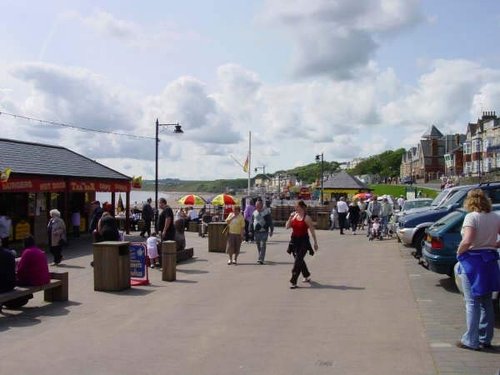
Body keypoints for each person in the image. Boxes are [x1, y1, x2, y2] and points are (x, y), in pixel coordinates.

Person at [455, 189, 500, 351]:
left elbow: (467, 240)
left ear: (470, 202)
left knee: (472, 302)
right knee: (486, 301)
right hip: (490, 259)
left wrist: (459, 252)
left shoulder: (471, 217)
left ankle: (471, 340)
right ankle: (485, 338)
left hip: (473, 260)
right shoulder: (495, 216)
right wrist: (494, 244)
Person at [286, 200, 319, 289]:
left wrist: (315, 242)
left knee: (297, 261)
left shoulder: (307, 218)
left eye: (296, 206)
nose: (295, 208)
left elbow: (312, 231)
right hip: (294, 242)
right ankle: (307, 275)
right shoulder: (294, 216)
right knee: (299, 260)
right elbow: (287, 227)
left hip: (304, 241)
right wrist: (290, 218)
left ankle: (293, 281)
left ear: (301, 207)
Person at [252, 199, 273, 264]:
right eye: (256, 205)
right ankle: (261, 256)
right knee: (258, 245)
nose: (257, 206)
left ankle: (261, 259)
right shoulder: (254, 212)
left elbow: (270, 222)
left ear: (261, 205)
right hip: (256, 231)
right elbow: (251, 222)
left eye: (258, 205)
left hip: (264, 231)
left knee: (263, 244)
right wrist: (250, 230)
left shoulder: (266, 212)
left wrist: (271, 230)